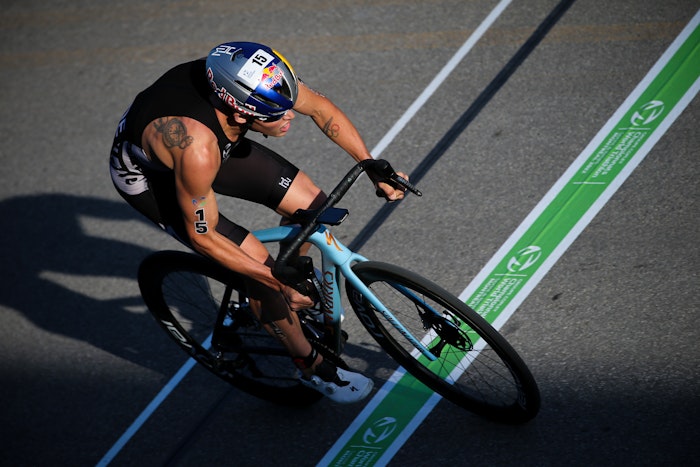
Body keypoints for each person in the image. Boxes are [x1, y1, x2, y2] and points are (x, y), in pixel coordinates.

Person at [109, 41, 407, 404]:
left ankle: (290, 282)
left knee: (313, 206)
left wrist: (370, 164)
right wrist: (276, 281)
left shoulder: (254, 78)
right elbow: (203, 237)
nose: (289, 116)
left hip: (213, 142)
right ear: (239, 114)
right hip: (154, 178)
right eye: (276, 115)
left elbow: (320, 107)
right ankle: (311, 367)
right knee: (260, 275)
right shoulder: (196, 148)